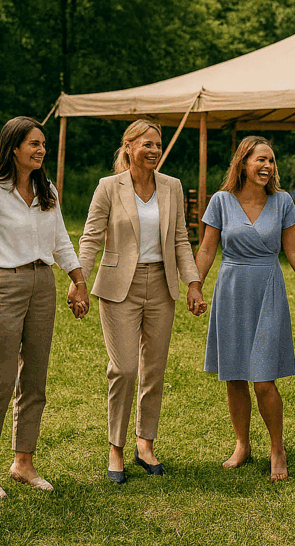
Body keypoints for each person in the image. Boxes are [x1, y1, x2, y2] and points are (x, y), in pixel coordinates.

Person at [0, 116, 90, 499]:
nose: (40, 150)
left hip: (43, 283)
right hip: (3, 285)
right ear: (13, 147)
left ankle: (23, 462)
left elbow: (60, 241)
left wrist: (79, 281)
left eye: (43, 144)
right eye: (33, 144)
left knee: (34, 379)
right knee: (0, 378)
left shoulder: (46, 190)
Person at [77, 119, 206, 483]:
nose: (154, 150)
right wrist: (79, 280)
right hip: (120, 286)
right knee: (124, 368)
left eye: (158, 145)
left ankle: (144, 443)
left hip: (162, 286)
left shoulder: (172, 187)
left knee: (154, 369)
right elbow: (90, 238)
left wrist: (192, 282)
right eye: (147, 144)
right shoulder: (108, 187)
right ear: (129, 146)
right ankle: (115, 447)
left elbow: (181, 239)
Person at [194, 136, 295, 482]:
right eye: (261, 160)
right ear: (243, 163)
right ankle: (242, 444)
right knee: (234, 375)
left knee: (263, 380)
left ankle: (277, 447)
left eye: (272, 161)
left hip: (268, 288)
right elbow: (206, 249)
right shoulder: (221, 201)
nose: (267, 166)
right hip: (231, 288)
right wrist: (195, 284)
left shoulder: (282, 202)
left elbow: (294, 251)